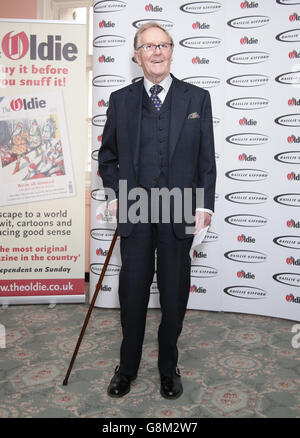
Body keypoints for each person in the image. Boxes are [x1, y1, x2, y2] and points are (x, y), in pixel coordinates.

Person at [98, 22, 216, 399]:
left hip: (179, 207)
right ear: (137, 55)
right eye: (148, 47)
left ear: (171, 51)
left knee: (174, 293)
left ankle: (169, 367)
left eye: (163, 45)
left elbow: (206, 160)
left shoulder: (197, 98)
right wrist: (116, 196)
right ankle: (127, 368)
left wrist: (205, 205)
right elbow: (108, 158)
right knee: (132, 294)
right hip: (135, 206)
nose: (157, 52)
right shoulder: (121, 99)